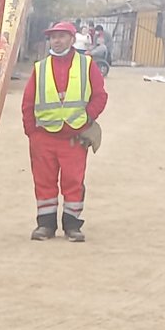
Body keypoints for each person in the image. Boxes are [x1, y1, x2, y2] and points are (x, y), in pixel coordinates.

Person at [24, 20, 108, 243]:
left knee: (73, 181)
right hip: (44, 137)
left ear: (72, 39)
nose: (57, 41)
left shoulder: (87, 65)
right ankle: (45, 225)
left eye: (61, 36)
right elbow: (28, 103)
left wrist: (87, 119)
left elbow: (100, 96)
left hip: (74, 137)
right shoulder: (39, 68)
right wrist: (31, 133)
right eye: (53, 37)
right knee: (44, 181)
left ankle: (72, 225)